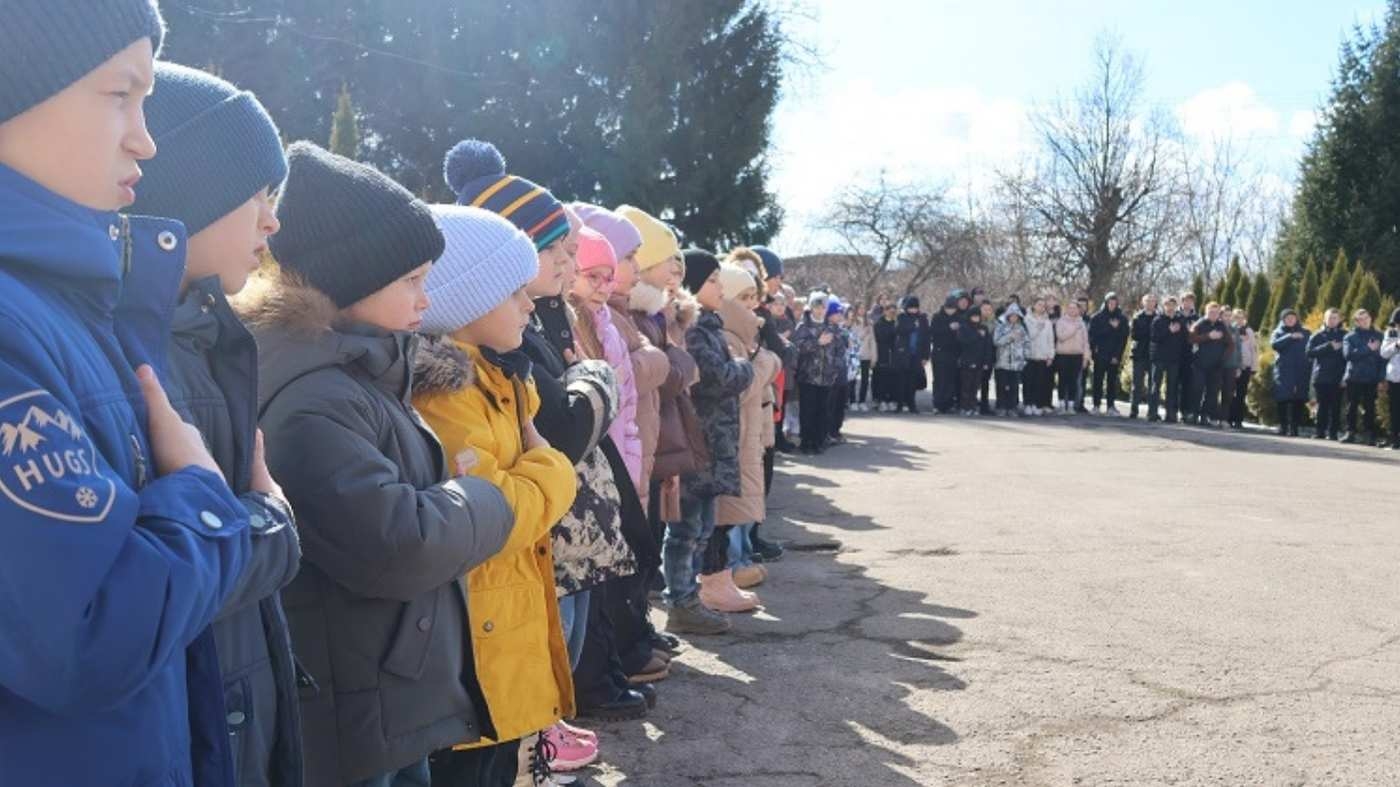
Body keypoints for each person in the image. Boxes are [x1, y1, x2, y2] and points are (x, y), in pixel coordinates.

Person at [0, 5, 253, 783]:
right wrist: (207, 498)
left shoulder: (65, 304)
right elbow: (85, 628)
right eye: (121, 93)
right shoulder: (15, 324)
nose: (145, 136)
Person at [249, 142, 516, 787]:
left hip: (380, 689)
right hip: (353, 708)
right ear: (352, 277)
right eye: (411, 279)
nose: (427, 297)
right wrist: (488, 499)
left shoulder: (359, 372)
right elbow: (398, 544)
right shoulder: (315, 395)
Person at [129, 62, 302, 787]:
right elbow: (155, 579)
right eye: (258, 194)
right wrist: (271, 522)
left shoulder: (205, 337)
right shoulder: (146, 360)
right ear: (191, 190)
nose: (272, 220)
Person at [411, 205, 579, 783]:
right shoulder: (448, 396)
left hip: (500, 641)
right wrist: (554, 468)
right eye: (514, 291)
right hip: (475, 660)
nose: (531, 305)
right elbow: (497, 513)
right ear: (466, 299)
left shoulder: (502, 379)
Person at [665, 250, 754, 633]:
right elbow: (718, 378)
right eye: (714, 280)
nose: (720, 288)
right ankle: (681, 601)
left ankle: (692, 598)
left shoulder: (708, 326)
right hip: (698, 444)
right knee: (686, 531)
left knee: (701, 527)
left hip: (710, 444)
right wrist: (745, 366)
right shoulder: (697, 330)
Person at [713, 264, 781, 602]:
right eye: (743, 297)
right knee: (732, 506)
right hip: (735, 434)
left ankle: (739, 559)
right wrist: (766, 363)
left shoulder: (747, 332)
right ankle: (731, 564)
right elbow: (742, 387)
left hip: (751, 430)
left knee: (744, 501)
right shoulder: (728, 337)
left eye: (754, 296)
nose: (751, 304)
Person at [793, 292, 843, 449]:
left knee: (823, 410)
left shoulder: (832, 328)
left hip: (827, 377)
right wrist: (817, 342)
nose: (820, 310)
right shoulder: (803, 326)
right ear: (811, 307)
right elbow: (798, 348)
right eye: (817, 306)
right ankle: (806, 441)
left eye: (823, 307)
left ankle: (819, 440)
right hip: (808, 377)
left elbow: (840, 351)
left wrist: (835, 369)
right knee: (808, 410)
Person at [1341, 308, 1384, 445]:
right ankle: (1350, 433)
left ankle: (1369, 435)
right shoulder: (1349, 336)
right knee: (1352, 407)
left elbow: (1383, 359)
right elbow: (1348, 355)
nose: (1365, 321)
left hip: (1372, 378)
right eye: (1361, 319)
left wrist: (1381, 378)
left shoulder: (1379, 336)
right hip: (1354, 377)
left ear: (1371, 319)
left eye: (1367, 318)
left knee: (1370, 408)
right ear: (1356, 322)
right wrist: (1368, 349)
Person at [1188, 302, 1233, 427]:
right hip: (1200, 364)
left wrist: (1223, 359)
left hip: (1216, 366)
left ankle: (1205, 415)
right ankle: (1193, 413)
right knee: (1197, 389)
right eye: (1211, 312)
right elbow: (1191, 339)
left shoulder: (1221, 326)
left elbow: (1231, 345)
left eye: (1216, 312)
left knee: (1212, 392)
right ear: (1206, 312)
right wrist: (1208, 336)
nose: (1214, 315)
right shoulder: (1200, 324)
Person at [1308, 309, 1347, 440]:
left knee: (1336, 407)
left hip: (1338, 376)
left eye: (1335, 318)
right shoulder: (1317, 335)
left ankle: (1333, 433)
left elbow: (1349, 357)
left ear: (1339, 320)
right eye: (1330, 318)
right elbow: (1309, 352)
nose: (1332, 320)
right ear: (1324, 319)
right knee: (1322, 406)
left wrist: (1345, 377)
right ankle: (1320, 432)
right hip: (1321, 376)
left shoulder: (1345, 335)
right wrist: (1328, 346)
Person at [1271, 309, 1311, 437]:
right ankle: (1283, 426)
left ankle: (1294, 428)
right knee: (1283, 399)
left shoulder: (1305, 332)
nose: (1290, 320)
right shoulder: (1278, 332)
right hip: (1284, 370)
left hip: (1301, 370)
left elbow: (1311, 349)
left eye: (1293, 318)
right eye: (1287, 318)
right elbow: (1275, 345)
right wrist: (1290, 337)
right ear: (1283, 320)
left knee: (1298, 400)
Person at [1088, 292, 1130, 414]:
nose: (1112, 305)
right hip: (1100, 354)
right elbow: (1092, 336)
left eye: (1114, 303)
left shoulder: (1121, 319)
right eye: (1110, 303)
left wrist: (1117, 356)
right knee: (1097, 381)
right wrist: (1093, 353)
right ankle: (1096, 405)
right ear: (1105, 303)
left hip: (1114, 355)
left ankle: (1111, 406)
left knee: (1112, 382)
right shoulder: (1097, 317)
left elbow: (1123, 338)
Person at [1150, 297, 1188, 423]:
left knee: (1172, 388)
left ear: (1176, 306)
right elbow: (1154, 338)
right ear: (1164, 306)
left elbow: (1184, 339)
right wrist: (1169, 331)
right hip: (1159, 358)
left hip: (1174, 359)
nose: (1170, 308)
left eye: (1173, 305)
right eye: (1168, 305)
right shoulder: (1157, 320)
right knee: (1156, 386)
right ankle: (1153, 414)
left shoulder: (1180, 321)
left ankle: (1170, 415)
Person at [893, 295, 931, 413]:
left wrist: (925, 356)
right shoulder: (901, 317)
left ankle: (911, 404)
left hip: (917, 354)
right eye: (911, 308)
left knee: (912, 381)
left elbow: (926, 338)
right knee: (901, 380)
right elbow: (899, 330)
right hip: (903, 353)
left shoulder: (922, 318)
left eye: (915, 308)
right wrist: (912, 325)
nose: (913, 310)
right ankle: (899, 403)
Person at [1053, 301, 1091, 414]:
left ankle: (1070, 405)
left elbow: (1085, 341)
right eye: (1070, 308)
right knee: (1062, 380)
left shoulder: (1082, 323)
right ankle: (1061, 405)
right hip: (1063, 355)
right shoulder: (1061, 321)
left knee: (1073, 381)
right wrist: (1074, 329)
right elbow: (1061, 336)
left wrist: (1086, 357)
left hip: (1077, 355)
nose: (1072, 310)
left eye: (1075, 308)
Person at [993, 304, 1031, 415]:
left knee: (1014, 387)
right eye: (1011, 316)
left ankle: (1012, 407)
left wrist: (1025, 357)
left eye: (1016, 316)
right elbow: (996, 341)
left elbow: (1027, 344)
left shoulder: (1021, 329)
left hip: (1016, 363)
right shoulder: (1000, 327)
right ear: (1008, 316)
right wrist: (1010, 336)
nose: (1014, 318)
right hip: (1002, 362)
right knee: (1002, 385)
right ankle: (1001, 407)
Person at [957, 307, 995, 416]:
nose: (976, 318)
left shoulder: (984, 328)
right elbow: (963, 341)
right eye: (974, 316)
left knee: (975, 386)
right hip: (967, 361)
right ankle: (964, 407)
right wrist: (977, 335)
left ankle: (972, 407)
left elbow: (988, 346)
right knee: (966, 386)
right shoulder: (964, 327)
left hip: (980, 361)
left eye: (977, 316)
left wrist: (987, 361)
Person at [928, 293, 962, 413]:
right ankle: (937, 403)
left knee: (950, 379)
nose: (950, 311)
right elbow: (933, 332)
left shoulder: (959, 317)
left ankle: (948, 403)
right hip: (939, 352)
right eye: (949, 308)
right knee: (939, 379)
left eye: (953, 308)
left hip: (953, 353)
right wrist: (949, 328)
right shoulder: (937, 317)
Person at [1024, 298, 1056, 415]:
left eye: (1043, 305)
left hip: (1043, 356)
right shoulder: (1027, 320)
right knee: (1028, 382)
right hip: (1030, 355)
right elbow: (1028, 337)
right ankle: (1028, 404)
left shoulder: (1047, 322)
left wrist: (1050, 356)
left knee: (1040, 382)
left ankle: (1036, 404)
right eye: (1039, 304)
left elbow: (1050, 340)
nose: (1041, 307)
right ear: (1034, 305)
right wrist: (1038, 327)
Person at [1129, 294, 1158, 419]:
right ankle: (1133, 410)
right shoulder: (1137, 317)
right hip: (1139, 354)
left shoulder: (1159, 317)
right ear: (1143, 303)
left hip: (1154, 355)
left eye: (1152, 301)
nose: (1150, 303)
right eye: (1147, 301)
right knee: (1137, 384)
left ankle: (1152, 412)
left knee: (1153, 385)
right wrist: (1150, 332)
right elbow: (1135, 335)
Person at [1229, 308, 1258, 429]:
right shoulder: (1229, 329)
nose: (1239, 320)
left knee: (1241, 394)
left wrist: (1254, 367)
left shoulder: (1249, 331)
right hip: (1231, 366)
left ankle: (1238, 420)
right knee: (1230, 394)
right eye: (1236, 317)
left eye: (1241, 318)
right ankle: (1229, 418)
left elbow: (1254, 349)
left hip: (1245, 366)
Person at [872, 303, 899, 411]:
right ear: (885, 311)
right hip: (881, 353)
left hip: (893, 354)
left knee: (892, 378)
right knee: (880, 378)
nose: (891, 313)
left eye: (893, 311)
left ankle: (891, 399)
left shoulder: (896, 323)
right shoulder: (879, 323)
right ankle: (880, 399)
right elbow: (880, 337)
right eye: (889, 311)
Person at [1382, 308, 1400, 450]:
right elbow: (1383, 353)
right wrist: (1397, 345)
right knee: (1394, 409)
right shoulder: (1391, 334)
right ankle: (1394, 438)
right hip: (1395, 377)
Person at [853, 307, 877, 411]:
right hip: (855, 355)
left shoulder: (869, 323)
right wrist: (863, 333)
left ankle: (862, 400)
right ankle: (852, 400)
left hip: (866, 354)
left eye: (864, 309)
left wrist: (874, 356)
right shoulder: (853, 323)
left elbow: (873, 341)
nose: (862, 310)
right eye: (860, 308)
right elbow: (854, 338)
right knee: (852, 379)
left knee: (865, 379)